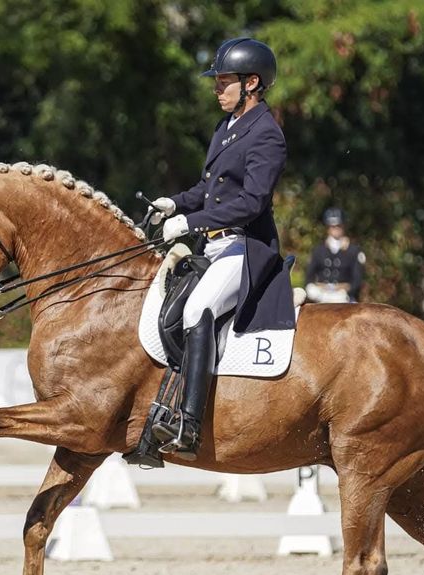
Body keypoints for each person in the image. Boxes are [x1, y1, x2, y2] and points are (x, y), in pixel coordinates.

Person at [148, 37, 295, 461]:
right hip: (214, 246)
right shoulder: (227, 127)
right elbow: (209, 191)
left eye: (224, 82)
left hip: (248, 248)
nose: (217, 89)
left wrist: (187, 223)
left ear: (252, 83)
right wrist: (175, 203)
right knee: (168, 308)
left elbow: (251, 203)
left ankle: (189, 424)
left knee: (198, 312)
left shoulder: (267, 135)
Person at [304, 207, 365, 303]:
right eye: (332, 226)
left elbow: (357, 280)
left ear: (343, 226)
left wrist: (345, 291)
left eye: (338, 226)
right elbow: (309, 276)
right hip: (321, 294)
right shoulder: (319, 250)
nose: (335, 229)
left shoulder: (353, 251)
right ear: (328, 228)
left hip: (343, 295)